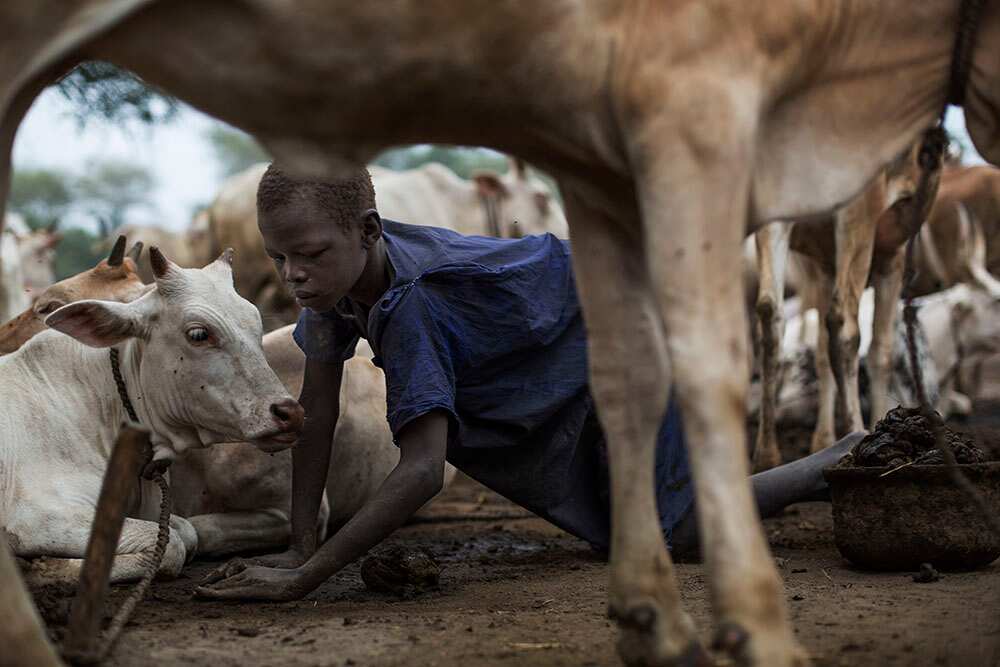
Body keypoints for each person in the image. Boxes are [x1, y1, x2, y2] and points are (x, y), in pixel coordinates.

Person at [195, 165, 859, 601]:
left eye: (309, 255)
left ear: (367, 231)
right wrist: (298, 543)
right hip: (565, 351)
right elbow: (319, 402)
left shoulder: (410, 303)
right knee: (623, 533)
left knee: (675, 533)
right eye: (280, 257)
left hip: (623, 323)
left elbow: (424, 470)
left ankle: (838, 459)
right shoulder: (338, 286)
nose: (293, 276)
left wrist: (307, 577)